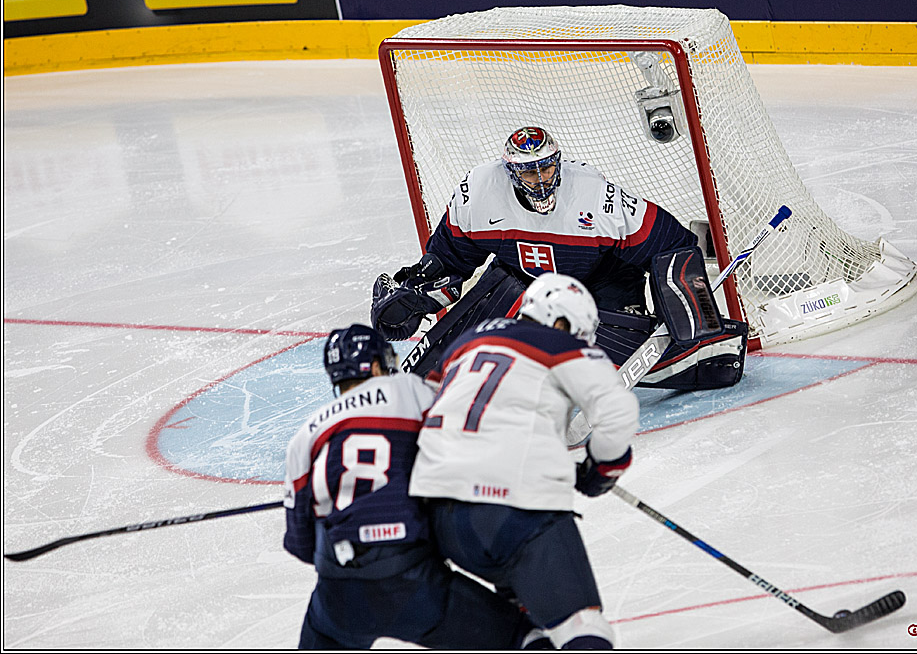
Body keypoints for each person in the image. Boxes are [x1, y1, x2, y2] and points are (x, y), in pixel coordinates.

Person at [371, 125, 747, 392]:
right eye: (527, 171)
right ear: (509, 171)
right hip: (521, 287)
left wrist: (691, 316)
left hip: (601, 283)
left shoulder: (597, 198)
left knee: (647, 363)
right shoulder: (479, 195)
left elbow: (672, 245)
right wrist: (418, 294)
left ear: (559, 162)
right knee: (453, 360)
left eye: (546, 167)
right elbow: (449, 262)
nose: (539, 178)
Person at [408, 273, 639, 649]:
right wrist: (602, 468)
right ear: (560, 322)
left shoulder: (466, 343)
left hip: (440, 515)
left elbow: (422, 405)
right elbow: (617, 411)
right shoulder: (559, 344)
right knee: (582, 628)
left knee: (525, 628)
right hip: (515, 510)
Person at [282, 324, 544, 649]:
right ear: (376, 366)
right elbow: (464, 448)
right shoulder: (408, 390)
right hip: (412, 586)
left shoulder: (306, 435)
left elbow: (299, 542)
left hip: (338, 596)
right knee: (523, 638)